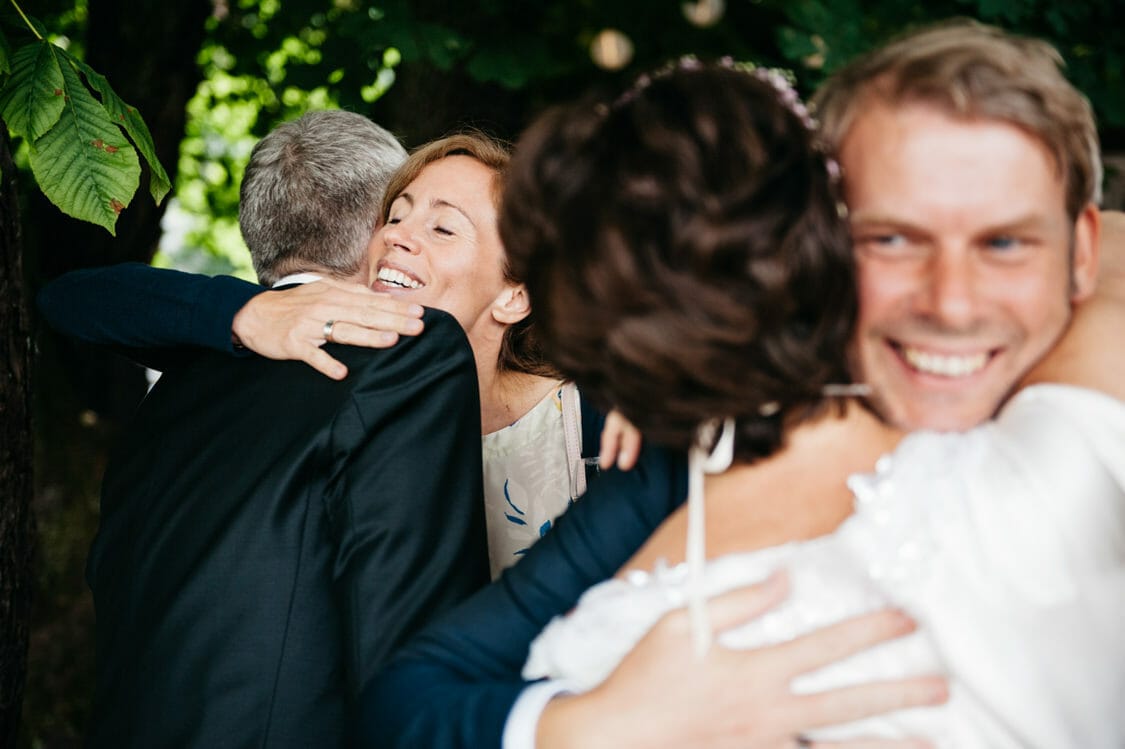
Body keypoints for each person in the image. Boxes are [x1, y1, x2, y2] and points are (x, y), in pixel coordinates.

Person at [359, 23, 1123, 748]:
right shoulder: (691, 448)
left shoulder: (1086, 439)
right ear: (811, 241)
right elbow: (411, 696)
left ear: (1076, 253)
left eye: (1005, 242)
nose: (949, 304)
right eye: (888, 238)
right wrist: (592, 725)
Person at [38, 109, 491, 748]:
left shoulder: (182, 382)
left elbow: (65, 297)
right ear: (374, 234)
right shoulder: (410, 354)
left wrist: (240, 309)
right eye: (398, 214)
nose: (404, 236)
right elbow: (404, 651)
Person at [40, 130, 628, 577]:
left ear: (515, 293)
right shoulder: (321, 373)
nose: (397, 234)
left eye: (444, 229)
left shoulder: (595, 426)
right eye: (395, 215)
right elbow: (73, 299)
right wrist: (245, 313)